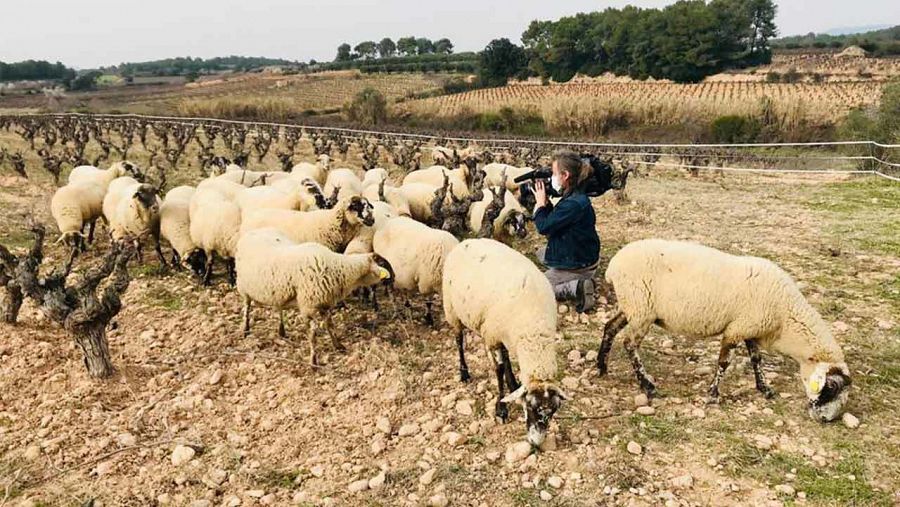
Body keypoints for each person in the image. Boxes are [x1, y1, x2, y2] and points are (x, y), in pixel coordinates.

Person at [533, 150, 600, 313]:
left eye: (554, 173)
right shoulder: (576, 196)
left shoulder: (572, 204)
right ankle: (581, 276)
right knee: (541, 253)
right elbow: (557, 221)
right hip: (583, 255)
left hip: (577, 264)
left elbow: (544, 227)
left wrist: (540, 206)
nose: (552, 178)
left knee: (537, 287)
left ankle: (577, 287)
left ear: (565, 175)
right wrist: (547, 205)